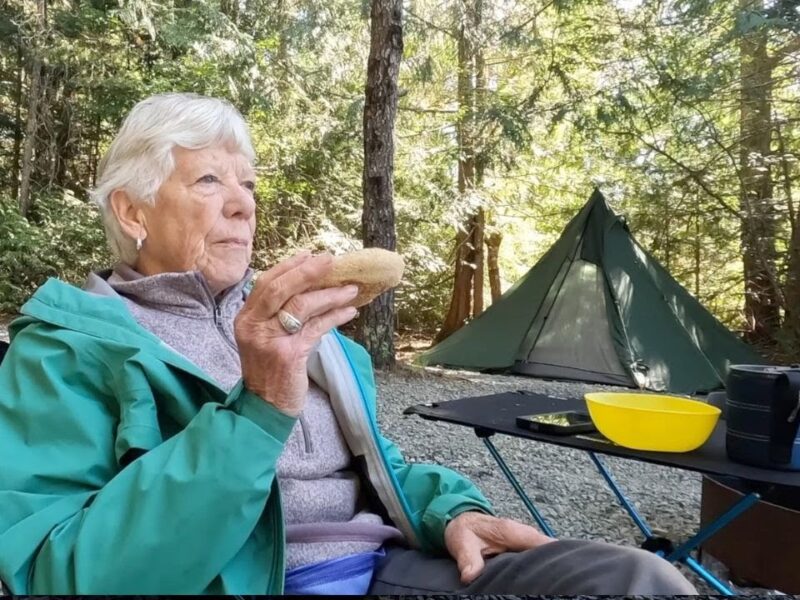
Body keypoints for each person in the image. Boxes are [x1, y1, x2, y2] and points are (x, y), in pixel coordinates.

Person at [0, 93, 697, 595]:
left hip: (386, 568)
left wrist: (452, 512)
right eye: (209, 180)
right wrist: (257, 410)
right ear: (132, 210)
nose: (243, 203)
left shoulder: (294, 321)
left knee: (633, 578)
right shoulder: (63, 352)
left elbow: (375, 463)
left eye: (247, 183)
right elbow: (60, 572)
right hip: (252, 580)